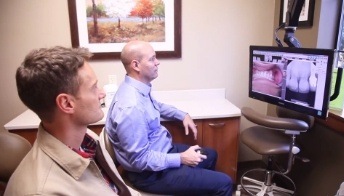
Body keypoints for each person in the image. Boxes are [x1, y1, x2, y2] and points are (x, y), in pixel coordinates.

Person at [5, 46, 140, 196]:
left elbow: (118, 189)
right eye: (94, 87)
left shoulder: (87, 138)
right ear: (67, 104)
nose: (101, 93)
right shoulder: (43, 191)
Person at [105, 40, 233, 195]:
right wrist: (180, 158)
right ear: (136, 65)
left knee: (210, 155)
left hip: (162, 153)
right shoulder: (130, 108)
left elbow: (156, 106)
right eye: (152, 59)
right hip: (150, 174)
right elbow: (139, 160)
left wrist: (182, 115)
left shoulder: (136, 89)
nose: (157, 62)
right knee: (225, 183)